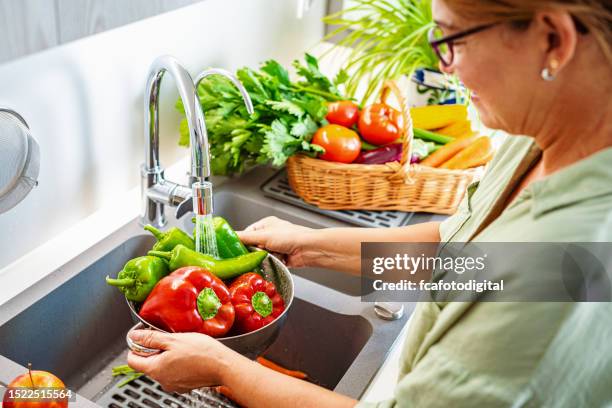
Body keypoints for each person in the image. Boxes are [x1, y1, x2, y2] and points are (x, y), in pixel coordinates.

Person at [127, 0, 612, 406]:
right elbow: (464, 254)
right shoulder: (538, 142)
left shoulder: (577, 264)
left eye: (452, 40)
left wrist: (223, 369)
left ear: (553, 40)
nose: (445, 65)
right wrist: (313, 247)